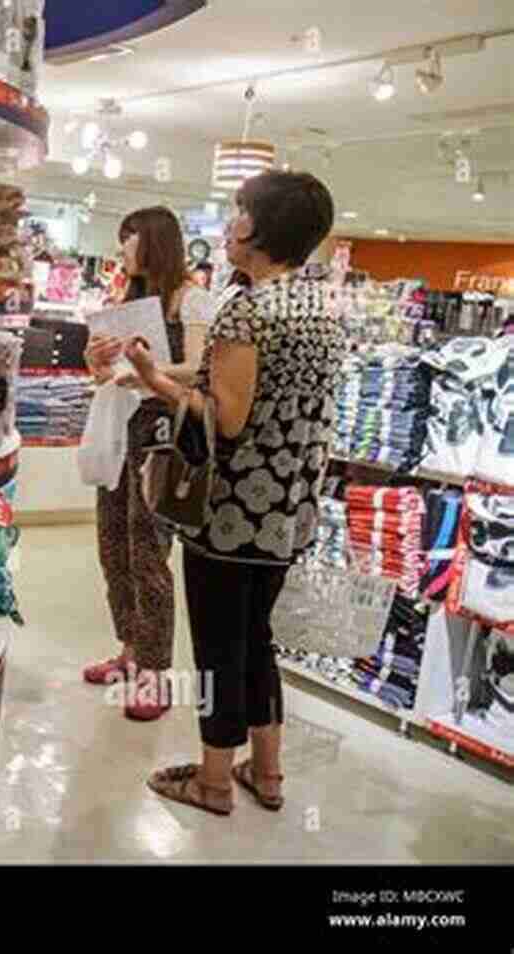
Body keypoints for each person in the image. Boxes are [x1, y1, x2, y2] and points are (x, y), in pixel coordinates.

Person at [123, 171, 345, 814]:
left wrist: (152, 382)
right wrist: (159, 367)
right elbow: (237, 371)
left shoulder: (247, 307)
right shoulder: (319, 306)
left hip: (230, 512)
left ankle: (214, 779)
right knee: (257, 639)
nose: (228, 224)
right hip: (287, 513)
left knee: (219, 646)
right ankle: (266, 773)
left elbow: (225, 417)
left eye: (237, 212)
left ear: (257, 229)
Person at [82, 207, 214, 720]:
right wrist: (101, 361)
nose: (121, 252)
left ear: (153, 242)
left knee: (148, 549)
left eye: (127, 242)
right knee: (112, 540)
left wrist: (146, 368)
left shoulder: (192, 298)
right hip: (121, 426)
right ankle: (131, 651)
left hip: (162, 435)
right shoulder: (131, 300)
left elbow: (199, 368)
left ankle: (156, 672)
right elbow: (106, 376)